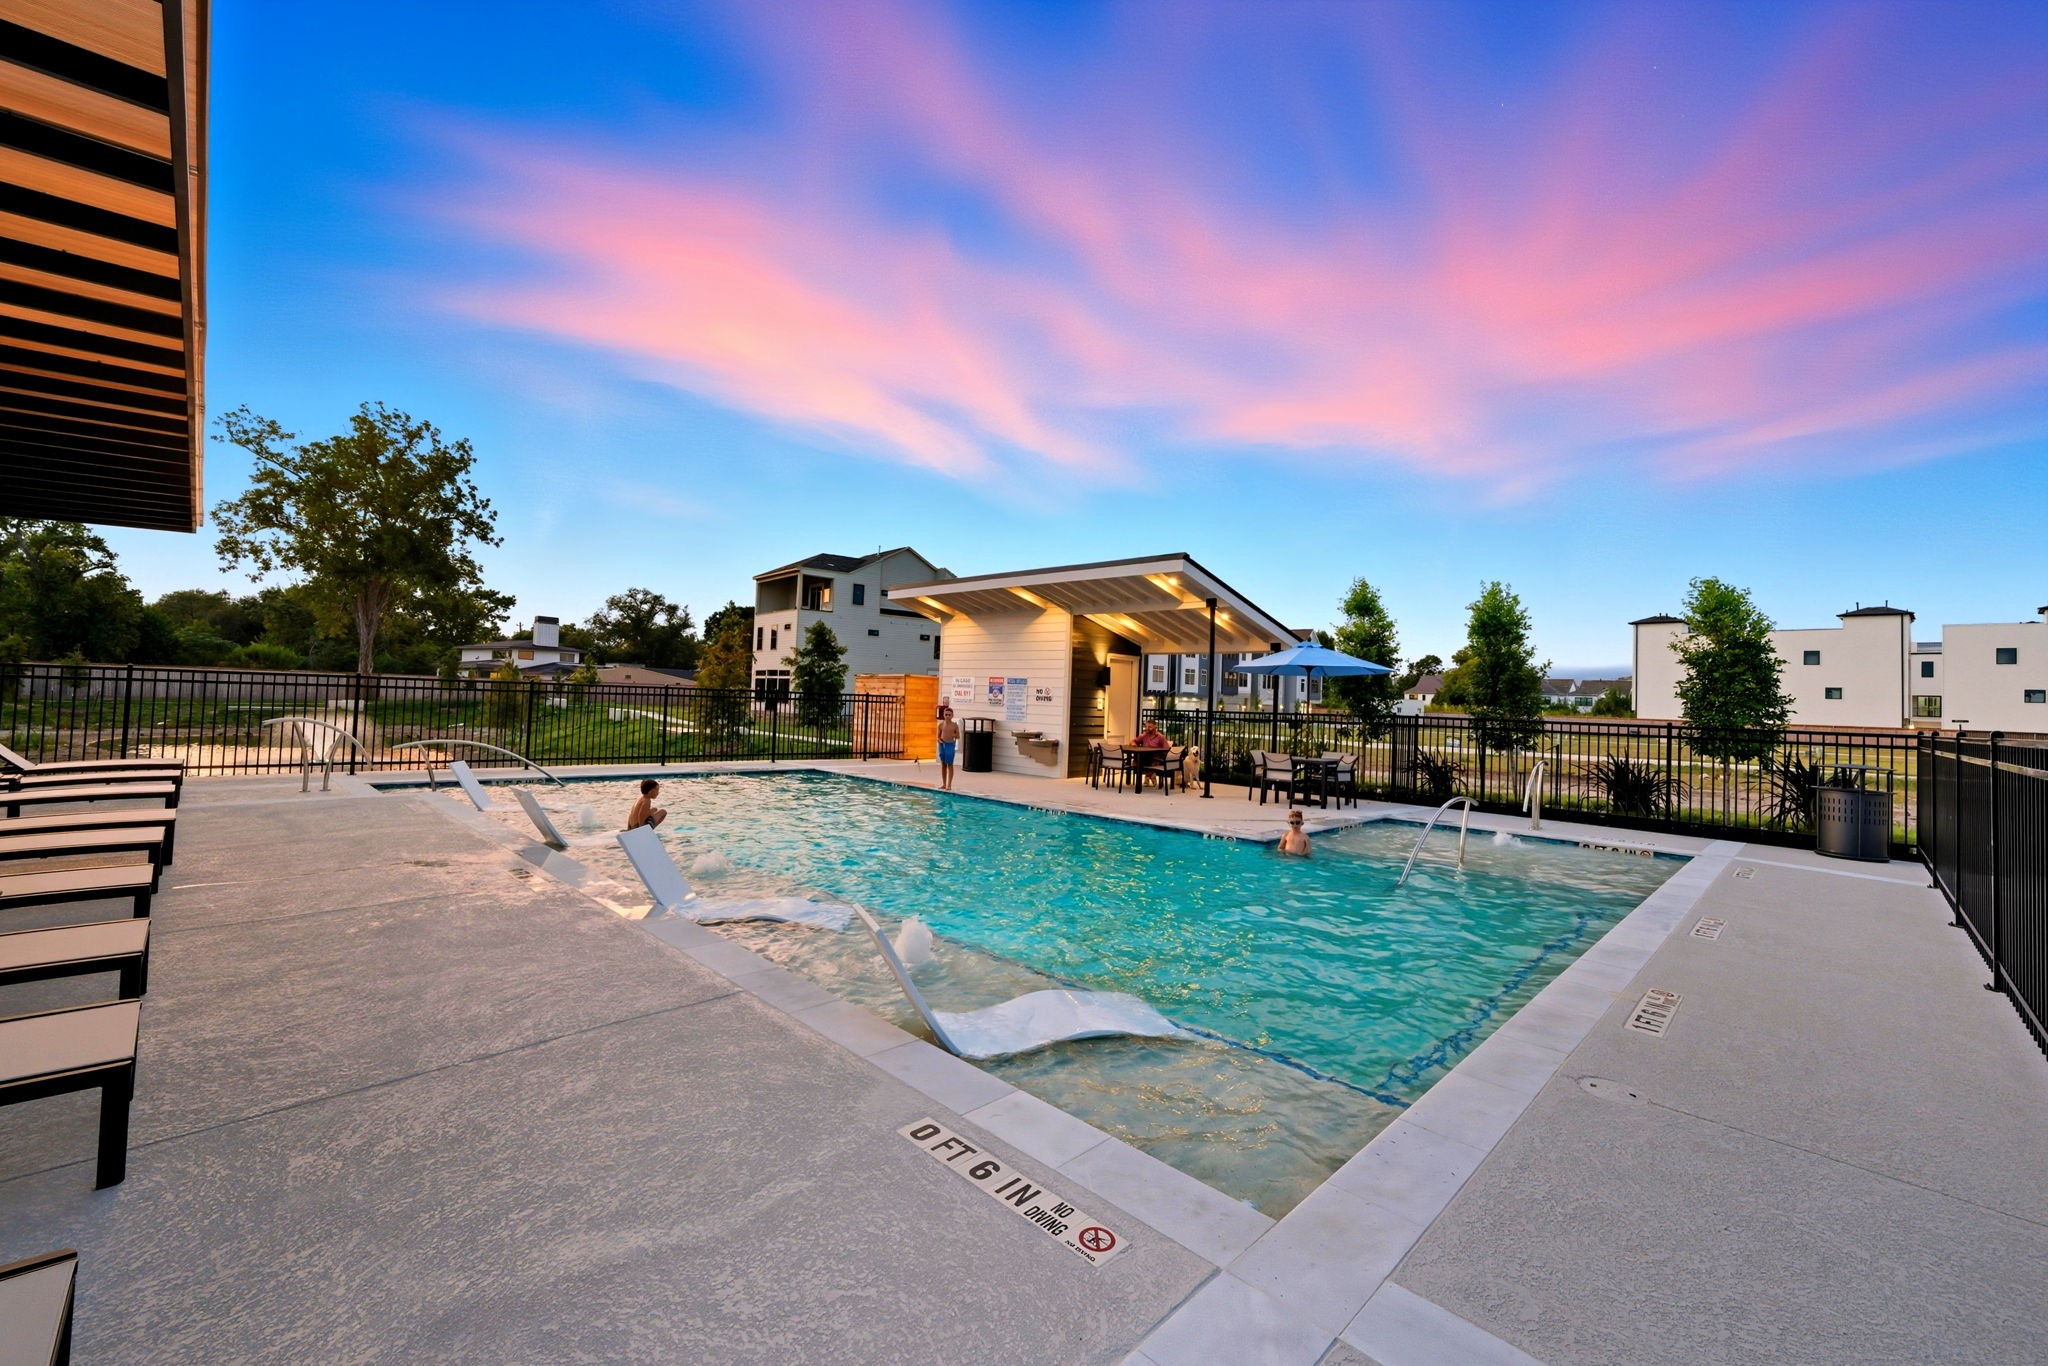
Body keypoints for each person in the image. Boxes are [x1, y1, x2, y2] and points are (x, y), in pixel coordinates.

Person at [935, 706, 961, 791]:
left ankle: (949, 785)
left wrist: (954, 735)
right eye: (946, 714)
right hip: (942, 745)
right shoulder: (941, 725)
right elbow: (938, 737)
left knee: (949, 764)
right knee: (943, 765)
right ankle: (943, 784)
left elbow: (958, 736)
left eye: (949, 715)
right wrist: (939, 740)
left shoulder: (954, 725)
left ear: (952, 715)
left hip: (950, 745)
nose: (947, 716)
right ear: (943, 715)